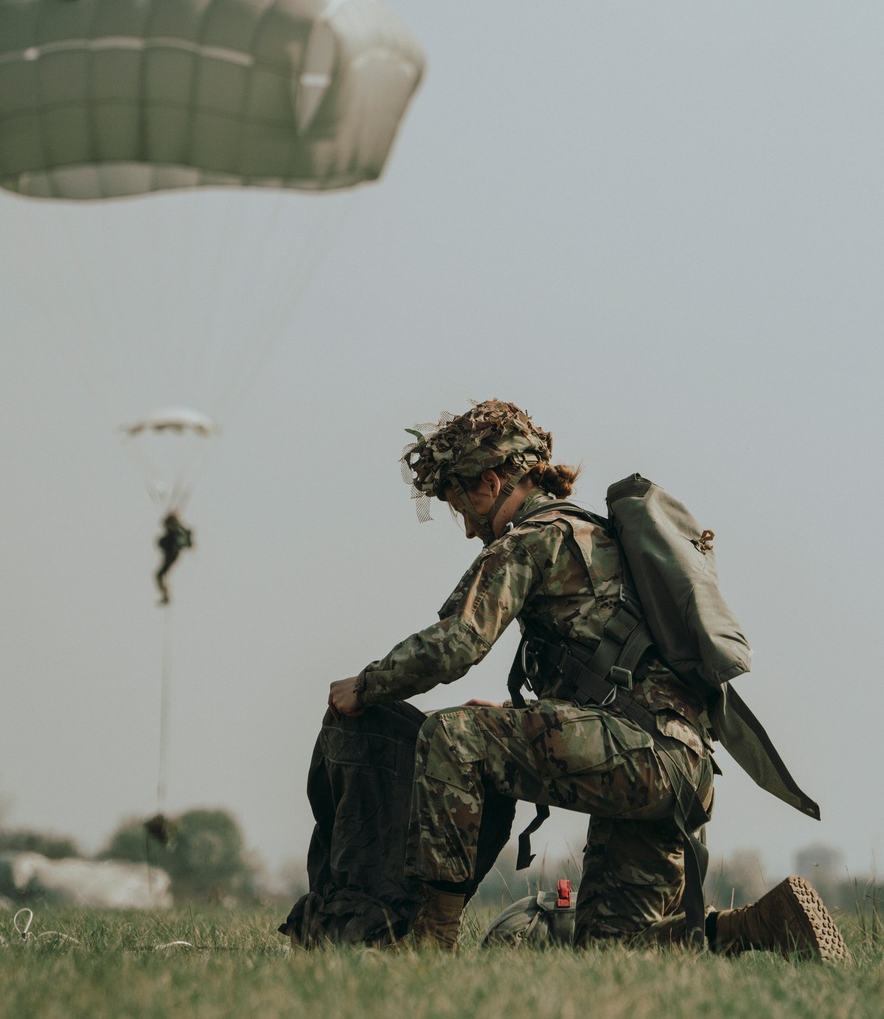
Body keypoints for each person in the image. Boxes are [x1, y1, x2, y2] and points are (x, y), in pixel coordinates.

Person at [327, 400, 848, 959]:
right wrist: (515, 720)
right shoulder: (602, 539)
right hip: (681, 767)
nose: (467, 527)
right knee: (612, 950)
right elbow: (608, 671)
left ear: (493, 481)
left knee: (451, 736)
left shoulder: (532, 539)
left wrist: (368, 684)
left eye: (461, 504)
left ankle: (429, 947)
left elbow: (457, 644)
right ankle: (763, 925)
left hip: (634, 752)